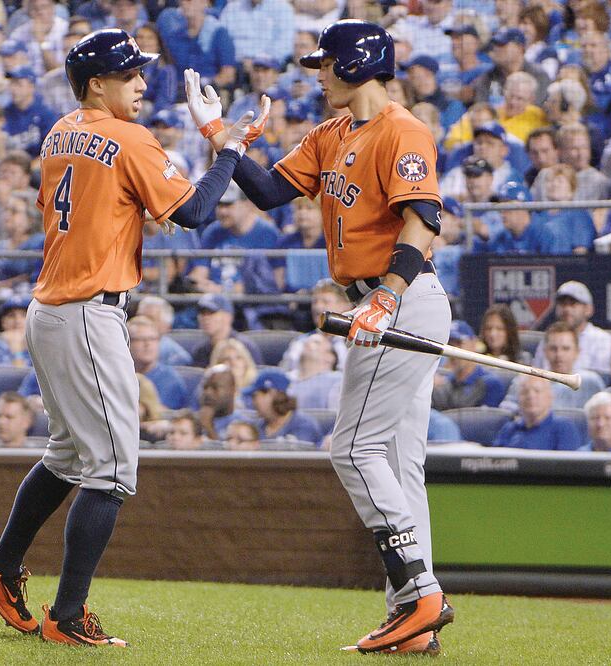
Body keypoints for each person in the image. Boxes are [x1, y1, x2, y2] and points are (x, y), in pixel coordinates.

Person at [0, 27, 267, 648]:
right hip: (86, 312)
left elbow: (107, 206)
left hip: (50, 308)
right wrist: (228, 149)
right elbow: (195, 212)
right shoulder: (128, 135)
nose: (142, 82)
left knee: (69, 457)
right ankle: (67, 616)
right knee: (112, 471)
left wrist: (144, 212)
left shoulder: (58, 132)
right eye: (129, 74)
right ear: (96, 84)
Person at [186, 20, 455, 653]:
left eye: (327, 63)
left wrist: (387, 294)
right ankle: (413, 621)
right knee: (396, 462)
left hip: (402, 300)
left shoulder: (405, 129)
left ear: (359, 64)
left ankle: (420, 596)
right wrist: (220, 139)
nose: (320, 73)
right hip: (380, 303)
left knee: (354, 449)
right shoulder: (334, 133)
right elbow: (272, 193)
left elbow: (424, 220)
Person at [499, 322, 605, 412]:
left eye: (565, 349)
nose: (559, 354)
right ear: (545, 351)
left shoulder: (591, 382)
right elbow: (506, 413)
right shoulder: (523, 381)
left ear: (577, 352)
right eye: (553, 349)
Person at [533, 280, 611, 378]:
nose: (567, 309)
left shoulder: (602, 340)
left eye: (573, 304)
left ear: (588, 309)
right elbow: (535, 376)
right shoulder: (548, 339)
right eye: (562, 304)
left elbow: (604, 381)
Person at [491, 375, 583, 451]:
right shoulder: (509, 429)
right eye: (525, 392)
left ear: (550, 397)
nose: (530, 396)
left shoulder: (563, 427)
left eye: (537, 391)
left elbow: (568, 467)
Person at [431, 320, 507, 410]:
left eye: (459, 344)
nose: (453, 351)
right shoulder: (444, 385)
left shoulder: (489, 383)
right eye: (450, 345)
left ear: (473, 343)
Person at [243, 368, 322, 445]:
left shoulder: (303, 425)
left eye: (255, 396)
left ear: (272, 394)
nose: (253, 402)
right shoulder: (257, 426)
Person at [127, 315, 186, 409]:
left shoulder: (169, 379)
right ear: (127, 343)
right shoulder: (120, 375)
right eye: (140, 339)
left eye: (152, 339)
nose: (148, 344)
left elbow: (159, 413)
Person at [189, 293, 263, 367]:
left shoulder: (244, 348)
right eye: (202, 313)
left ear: (228, 317)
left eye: (211, 312)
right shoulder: (200, 352)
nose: (206, 318)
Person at [287, 332, 341, 411]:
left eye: (316, 342)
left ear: (330, 357)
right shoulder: (286, 378)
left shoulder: (337, 381)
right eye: (305, 342)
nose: (307, 344)